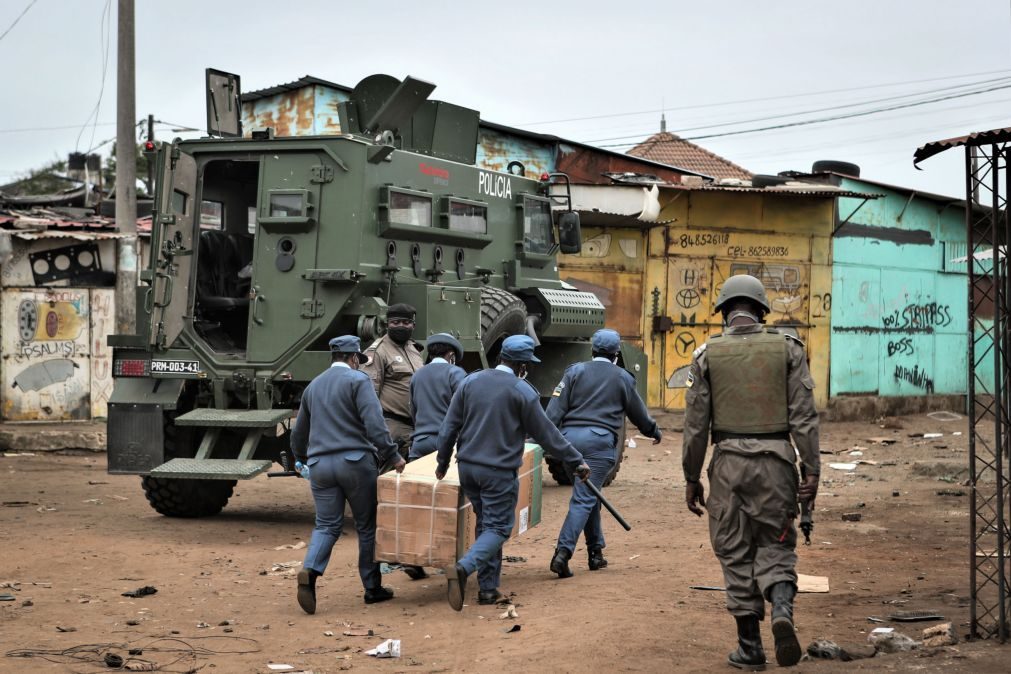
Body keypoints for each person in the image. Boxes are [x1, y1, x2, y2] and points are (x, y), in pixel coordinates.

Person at [681, 274, 820, 670]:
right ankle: (781, 610)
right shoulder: (789, 349)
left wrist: (692, 477)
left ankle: (750, 648)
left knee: (735, 551)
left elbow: (695, 426)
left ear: (724, 312)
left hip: (727, 467)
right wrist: (811, 471)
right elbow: (805, 418)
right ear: (761, 310)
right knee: (776, 544)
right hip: (777, 464)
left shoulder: (706, 355)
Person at [434, 335, 590, 611]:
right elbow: (548, 435)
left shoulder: (470, 381)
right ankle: (463, 568)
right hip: (498, 471)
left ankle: (488, 590)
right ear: (522, 365)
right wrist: (576, 460)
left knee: (485, 525)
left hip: (467, 467)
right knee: (498, 527)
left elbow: (449, 427)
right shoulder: (523, 391)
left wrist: (442, 462)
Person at [290, 335, 407, 615]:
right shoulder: (358, 381)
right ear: (354, 358)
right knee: (367, 526)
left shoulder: (314, 386)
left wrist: (303, 459)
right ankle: (372, 588)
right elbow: (375, 423)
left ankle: (311, 570)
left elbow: (298, 434)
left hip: (320, 466)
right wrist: (392, 455)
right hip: (355, 462)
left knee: (326, 525)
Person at [546, 328, 662, 578]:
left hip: (569, 444)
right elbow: (639, 414)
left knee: (590, 494)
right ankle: (562, 553)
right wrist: (653, 431)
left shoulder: (574, 371)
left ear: (592, 351)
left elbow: (553, 411)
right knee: (584, 498)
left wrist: (544, 439)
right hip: (599, 445)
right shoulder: (623, 378)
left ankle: (595, 553)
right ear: (616, 355)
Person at [362, 303, 425, 460]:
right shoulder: (377, 352)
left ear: (413, 325)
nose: (401, 326)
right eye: (395, 323)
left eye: (406, 323)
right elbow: (368, 397)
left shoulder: (414, 349)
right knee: (386, 479)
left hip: (416, 427)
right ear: (387, 325)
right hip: (391, 427)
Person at [409, 333, 467, 461]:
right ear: (452, 355)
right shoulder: (456, 373)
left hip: (420, 442)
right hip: (446, 443)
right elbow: (464, 410)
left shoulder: (417, 375)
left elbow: (413, 411)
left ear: (430, 355)